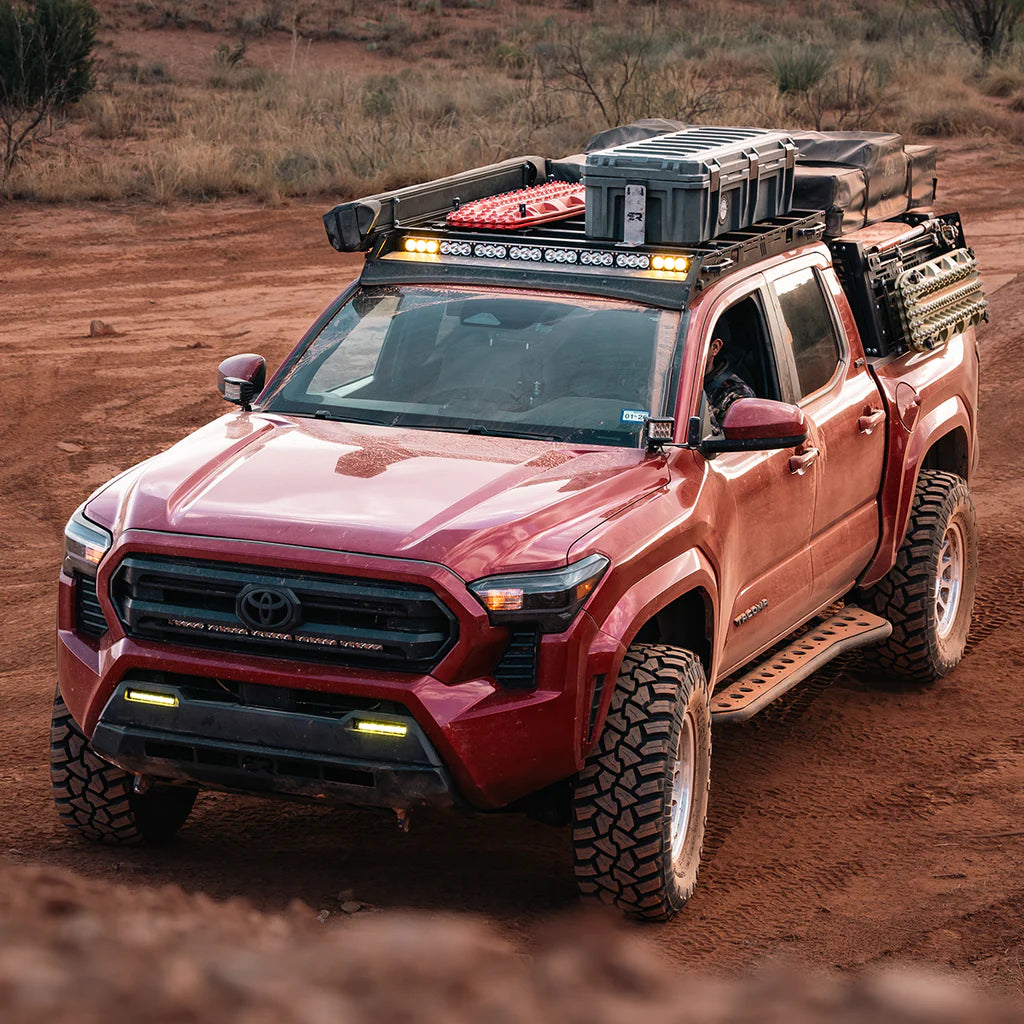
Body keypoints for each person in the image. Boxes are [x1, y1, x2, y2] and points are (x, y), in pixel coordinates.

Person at [703, 319, 755, 434]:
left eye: (691, 346)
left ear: (715, 348)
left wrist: (702, 409)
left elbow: (730, 446)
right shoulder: (663, 383)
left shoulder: (736, 395)